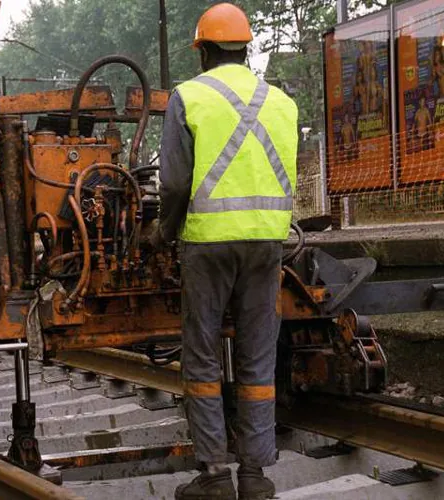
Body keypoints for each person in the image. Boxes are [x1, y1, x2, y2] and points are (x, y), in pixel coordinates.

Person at [150, 3, 298, 499]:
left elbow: (173, 184)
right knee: (258, 359)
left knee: (203, 359)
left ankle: (214, 475)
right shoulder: (283, 102)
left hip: (207, 245)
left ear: (204, 51)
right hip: (266, 243)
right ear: (245, 47)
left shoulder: (188, 97)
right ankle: (255, 476)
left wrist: (163, 233)